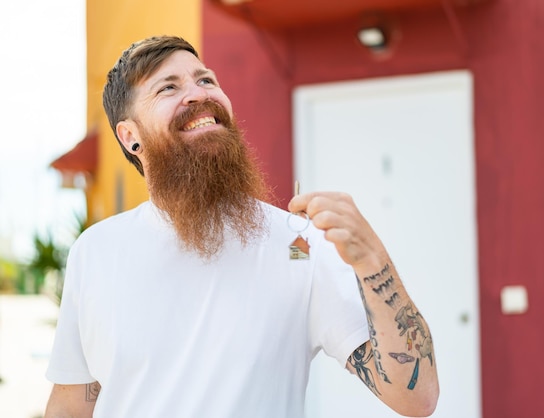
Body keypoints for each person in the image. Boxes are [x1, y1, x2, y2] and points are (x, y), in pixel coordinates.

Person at [43, 35, 439, 418]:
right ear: (130, 137)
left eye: (206, 80)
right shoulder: (95, 250)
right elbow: (71, 406)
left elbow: (414, 397)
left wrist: (372, 261)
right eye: (168, 87)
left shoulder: (298, 245)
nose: (198, 94)